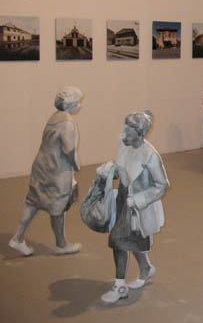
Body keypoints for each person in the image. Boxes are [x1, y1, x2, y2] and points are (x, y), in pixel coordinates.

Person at [100, 111, 170, 303]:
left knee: (118, 241)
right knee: (132, 240)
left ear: (140, 133)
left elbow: (162, 185)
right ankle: (145, 268)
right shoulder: (124, 143)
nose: (124, 133)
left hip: (138, 206)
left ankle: (120, 286)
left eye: (129, 131)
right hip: (123, 198)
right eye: (125, 128)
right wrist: (109, 171)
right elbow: (122, 166)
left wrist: (139, 199)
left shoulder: (150, 156)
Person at [9, 87, 84, 257]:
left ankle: (18, 237)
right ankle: (61, 245)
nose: (79, 105)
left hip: (41, 165)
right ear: (70, 104)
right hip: (56, 169)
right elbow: (68, 149)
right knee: (58, 205)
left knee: (33, 202)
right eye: (78, 102)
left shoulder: (54, 117)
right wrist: (76, 165)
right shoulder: (68, 122)